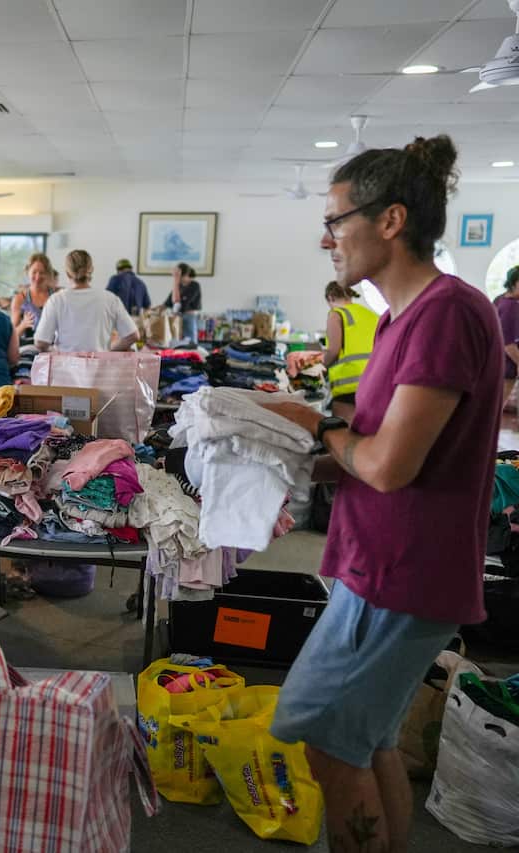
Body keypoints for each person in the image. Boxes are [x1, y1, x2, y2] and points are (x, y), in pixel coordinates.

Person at [261, 135, 500, 853]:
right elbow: (400, 453)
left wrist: (319, 424)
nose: (326, 238)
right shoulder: (405, 318)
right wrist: (319, 458)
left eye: (337, 221)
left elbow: (391, 464)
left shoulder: (445, 314)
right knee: (367, 743)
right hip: (388, 564)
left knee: (328, 743)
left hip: (402, 574)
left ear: (390, 220)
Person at [34, 250, 139, 353]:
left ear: (67, 273)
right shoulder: (110, 299)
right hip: (100, 367)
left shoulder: (56, 300)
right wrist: (110, 349)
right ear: (91, 270)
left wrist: (53, 350)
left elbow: (40, 342)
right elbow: (133, 336)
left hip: (65, 367)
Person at [323, 280, 380, 422]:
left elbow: (334, 351)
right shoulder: (371, 315)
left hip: (349, 383)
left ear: (330, 297)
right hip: (375, 380)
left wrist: (321, 366)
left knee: (342, 432)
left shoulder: (336, 314)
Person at [494, 264, 519, 413]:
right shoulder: (510, 307)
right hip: (505, 367)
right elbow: (508, 344)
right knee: (495, 409)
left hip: (499, 364)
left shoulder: (500, 299)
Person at [10, 252, 56, 331]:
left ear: (47, 273)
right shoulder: (19, 299)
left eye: (42, 273)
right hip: (28, 343)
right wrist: (23, 325)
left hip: (52, 343)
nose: (37, 277)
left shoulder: (56, 296)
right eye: (34, 272)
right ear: (28, 272)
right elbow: (11, 336)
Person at [163, 262, 202, 342]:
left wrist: (176, 281)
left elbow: (177, 302)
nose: (174, 275)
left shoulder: (194, 285)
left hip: (188, 317)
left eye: (177, 273)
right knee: (176, 343)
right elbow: (167, 303)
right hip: (177, 317)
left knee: (190, 343)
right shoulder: (179, 286)